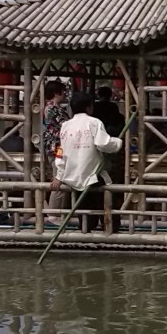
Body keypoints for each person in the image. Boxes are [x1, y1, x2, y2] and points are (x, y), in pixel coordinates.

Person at [51, 91, 123, 231]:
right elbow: (103, 144)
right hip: (93, 176)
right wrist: (117, 142)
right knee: (107, 206)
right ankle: (110, 231)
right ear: (90, 107)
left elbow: (60, 152)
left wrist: (59, 176)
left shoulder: (65, 126)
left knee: (85, 213)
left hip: (73, 176)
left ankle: (86, 230)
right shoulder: (94, 123)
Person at [42, 81, 69, 221]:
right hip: (57, 148)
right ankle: (53, 215)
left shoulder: (54, 107)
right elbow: (64, 125)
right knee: (59, 178)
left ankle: (57, 212)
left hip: (58, 147)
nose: (64, 94)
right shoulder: (52, 108)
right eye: (63, 92)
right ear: (57, 92)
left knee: (60, 177)